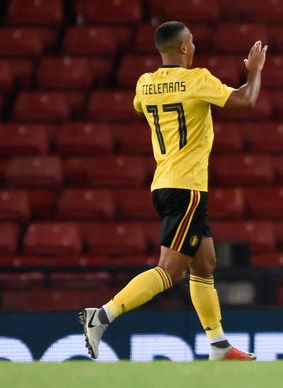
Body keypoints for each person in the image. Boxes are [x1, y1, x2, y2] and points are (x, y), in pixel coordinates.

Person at [80, 21, 268, 361]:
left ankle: (219, 345)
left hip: (163, 183)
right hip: (188, 188)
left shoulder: (145, 83)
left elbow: (140, 107)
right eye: (192, 42)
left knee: (205, 263)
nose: (194, 46)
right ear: (183, 48)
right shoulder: (197, 79)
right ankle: (102, 315)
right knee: (170, 270)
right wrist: (254, 72)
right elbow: (246, 101)